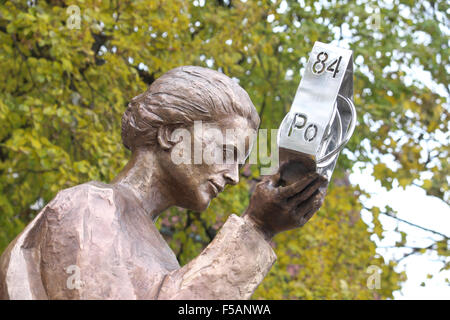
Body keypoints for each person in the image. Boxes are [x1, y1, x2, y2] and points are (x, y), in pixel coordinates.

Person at [0, 66, 327, 299]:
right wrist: (256, 228)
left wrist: (260, 229)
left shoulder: (163, 257)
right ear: (172, 133)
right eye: (226, 151)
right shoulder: (89, 207)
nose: (233, 176)